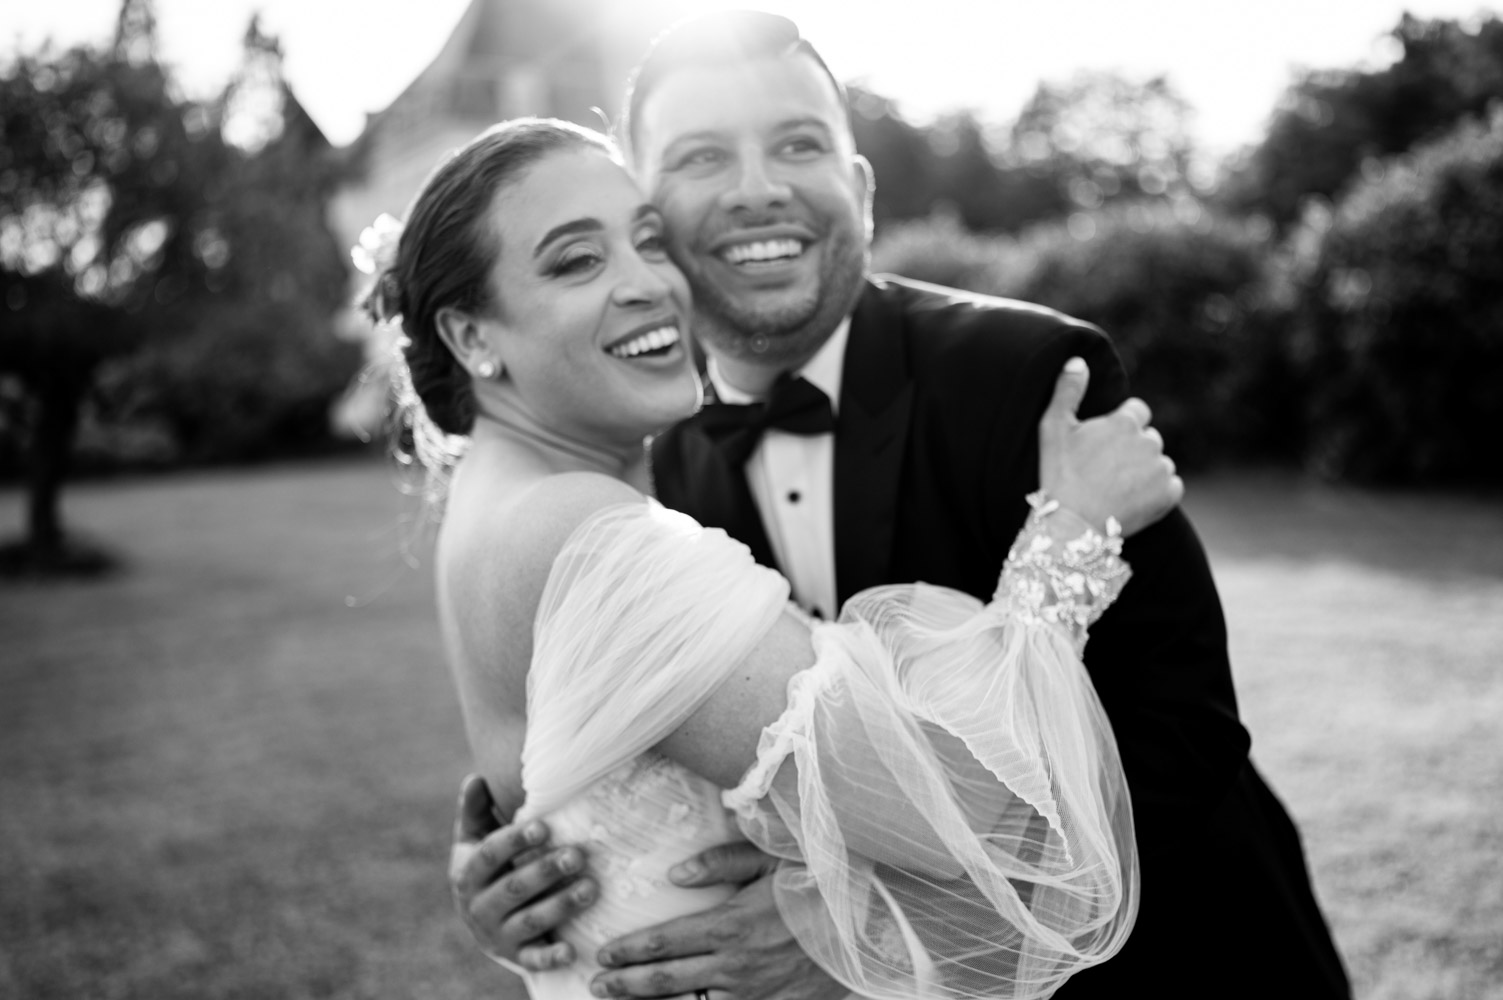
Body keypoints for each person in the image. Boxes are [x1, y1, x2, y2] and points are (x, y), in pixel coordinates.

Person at [449, 11, 1351, 1000]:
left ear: (862, 189)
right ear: (649, 215)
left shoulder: (1030, 373)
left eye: (798, 144)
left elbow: (1182, 736)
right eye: (703, 156)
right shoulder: (658, 451)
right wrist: (533, 878)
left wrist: (856, 931)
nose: (759, 189)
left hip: (1183, 961)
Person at [369, 115, 1186, 1000]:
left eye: (648, 241)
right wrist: (1069, 541)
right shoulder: (583, 533)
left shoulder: (498, 505)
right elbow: (948, 809)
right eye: (576, 261)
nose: (647, 282)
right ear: (470, 336)